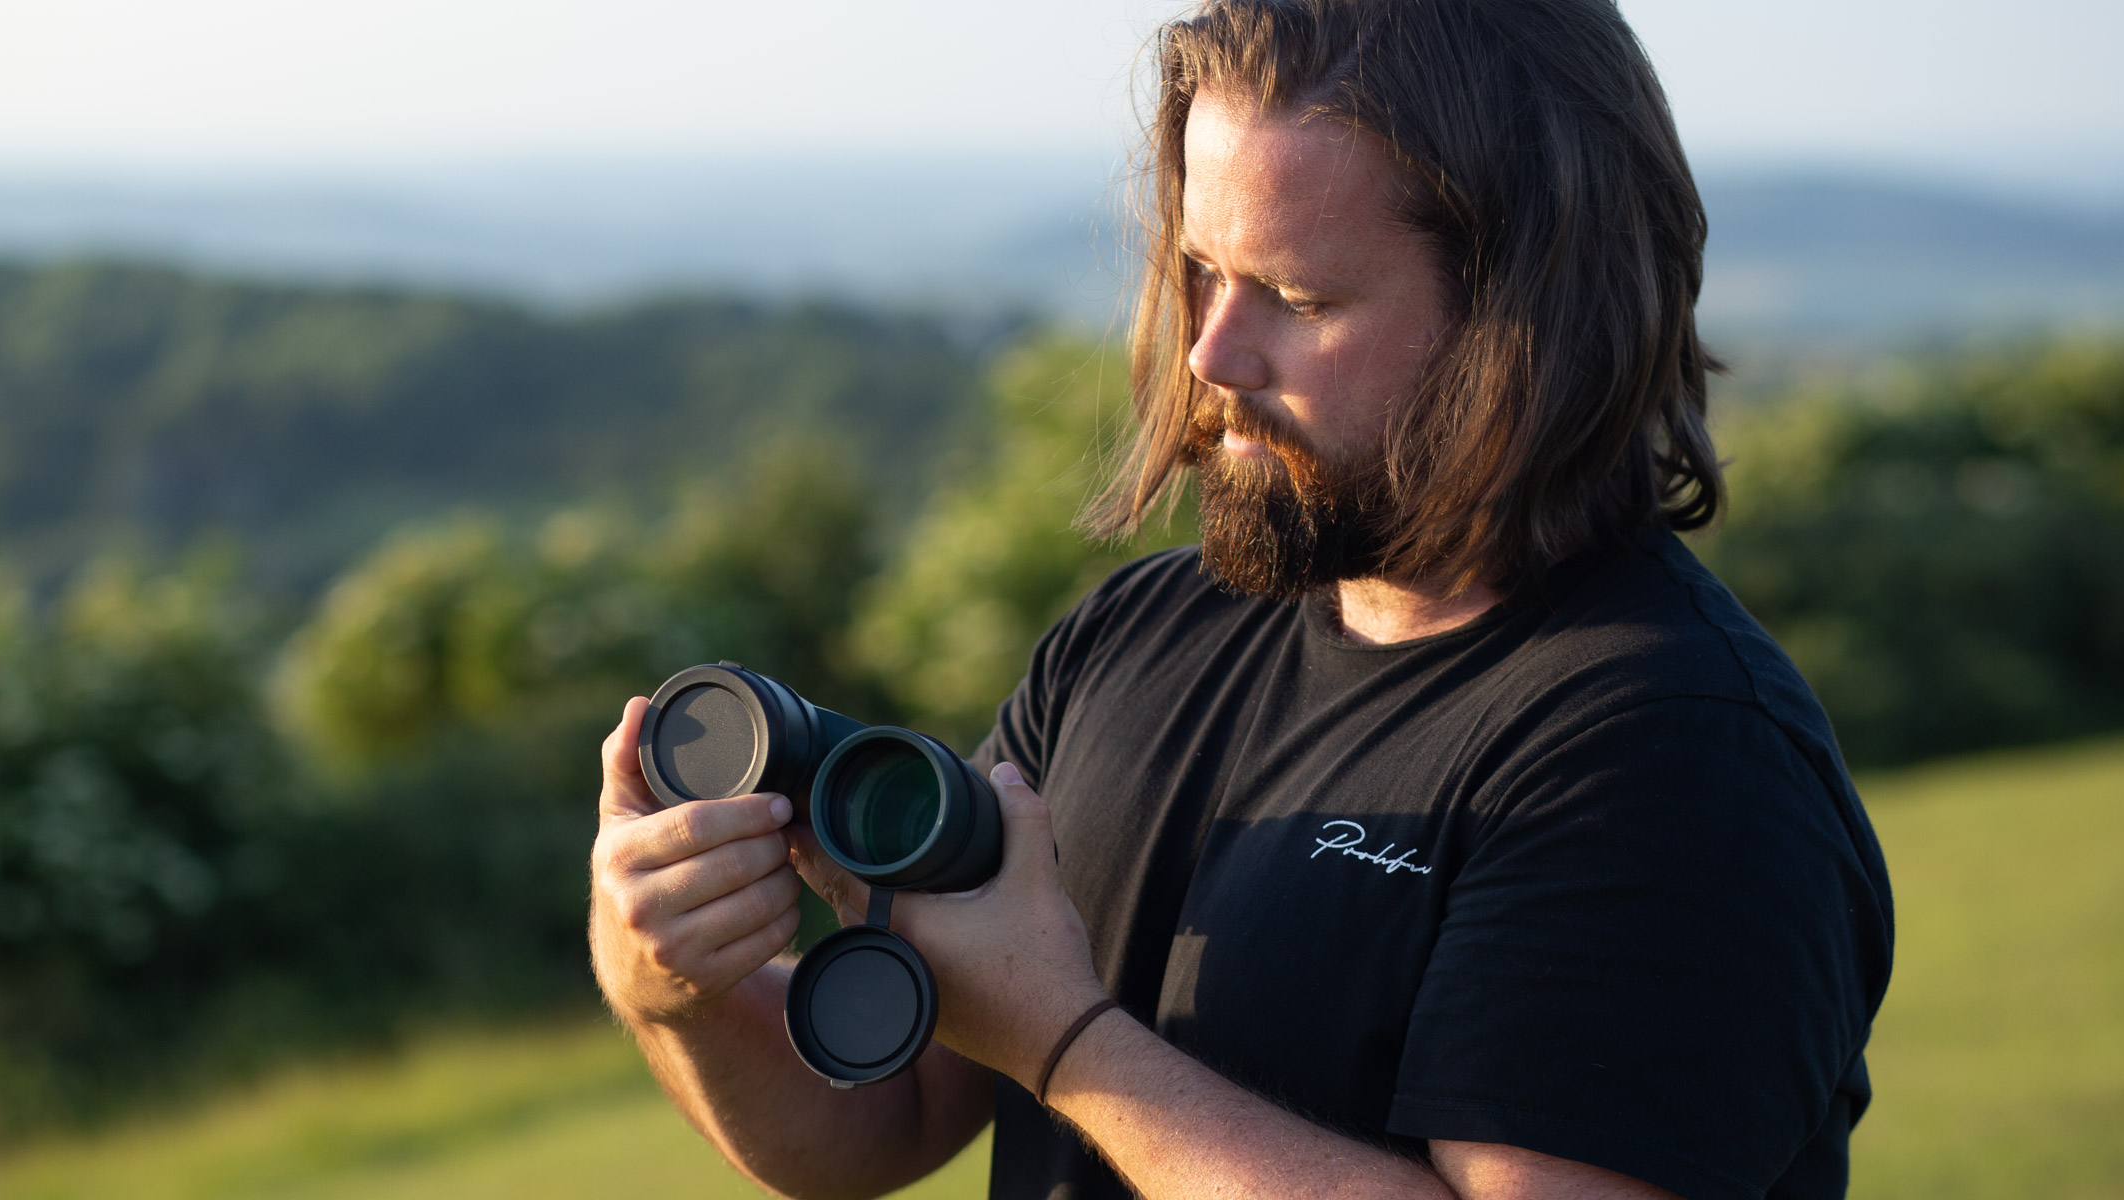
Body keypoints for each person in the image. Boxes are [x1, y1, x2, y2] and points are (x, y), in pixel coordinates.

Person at [588, 1, 1894, 1197]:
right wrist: (672, 986)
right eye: (1202, 271)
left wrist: (1067, 1042)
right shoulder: (1133, 636)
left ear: (1531, 315)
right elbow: (884, 1119)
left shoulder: (1674, 755)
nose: (1212, 352)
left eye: (1299, 297)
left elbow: (1030, 1029)